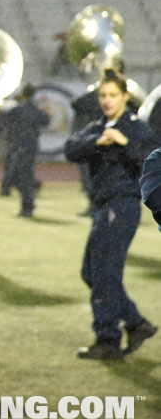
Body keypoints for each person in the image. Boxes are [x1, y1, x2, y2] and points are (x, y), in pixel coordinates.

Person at [65, 70, 160, 359]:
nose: (107, 101)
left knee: (105, 272)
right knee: (91, 272)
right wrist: (97, 142)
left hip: (122, 206)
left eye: (113, 95)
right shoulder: (97, 128)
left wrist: (124, 143)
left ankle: (107, 339)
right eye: (103, 95)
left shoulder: (135, 127)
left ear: (125, 97)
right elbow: (70, 149)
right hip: (103, 207)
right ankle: (135, 322)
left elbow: (151, 160)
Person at [0, 83, 50, 217]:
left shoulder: (18, 109)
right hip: (31, 146)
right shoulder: (34, 109)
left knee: (18, 176)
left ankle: (27, 205)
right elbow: (46, 120)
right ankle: (32, 192)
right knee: (24, 175)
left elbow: (3, 119)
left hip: (18, 146)